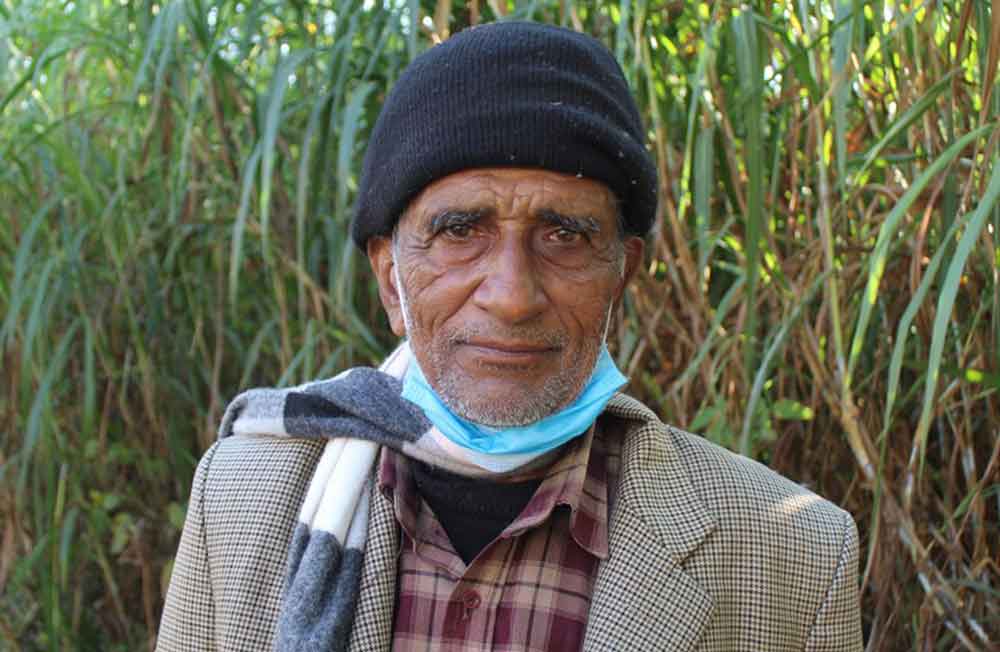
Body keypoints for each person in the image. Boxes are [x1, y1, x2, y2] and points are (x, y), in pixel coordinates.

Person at [157, 21, 863, 652]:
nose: (513, 296)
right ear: (391, 281)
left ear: (621, 276)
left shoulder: (792, 554)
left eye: (565, 235)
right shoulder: (240, 495)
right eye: (460, 231)